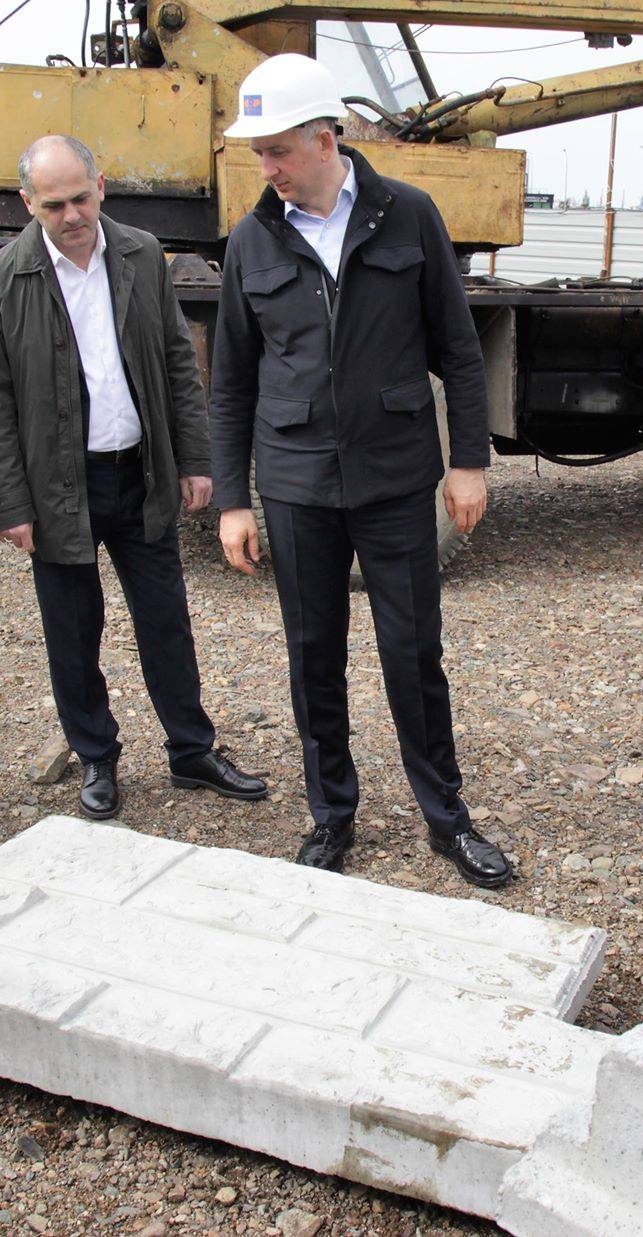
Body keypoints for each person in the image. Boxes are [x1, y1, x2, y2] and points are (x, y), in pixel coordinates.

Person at [208, 53, 511, 888]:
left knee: (412, 652)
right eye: (258, 152)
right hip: (297, 484)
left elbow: (460, 351)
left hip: (395, 477)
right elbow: (231, 381)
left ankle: (447, 818)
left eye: (277, 150)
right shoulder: (251, 239)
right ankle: (331, 815)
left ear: (324, 138)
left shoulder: (407, 215)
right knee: (314, 657)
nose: (266, 168)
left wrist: (469, 463)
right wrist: (232, 498)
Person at [0, 135, 266, 820]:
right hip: (56, 488)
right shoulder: (2, 279)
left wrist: (195, 460)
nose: (72, 215)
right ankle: (96, 756)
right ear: (27, 202)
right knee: (73, 631)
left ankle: (192, 750)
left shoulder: (139, 254)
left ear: (101, 185)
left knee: (166, 621)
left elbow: (177, 361)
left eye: (81, 198)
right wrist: (10, 503)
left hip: (140, 474)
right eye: (53, 205)